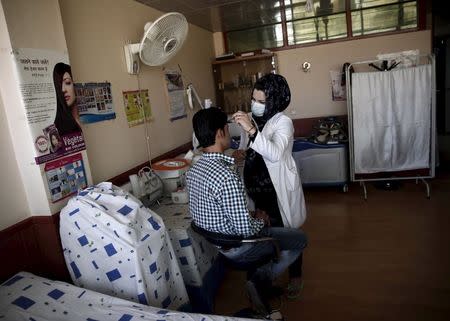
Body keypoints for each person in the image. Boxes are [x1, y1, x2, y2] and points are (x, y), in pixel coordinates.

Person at [186, 107, 307, 320]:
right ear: (221, 133)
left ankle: (260, 280)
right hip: (240, 247)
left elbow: (216, 211)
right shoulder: (226, 176)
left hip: (219, 245)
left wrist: (250, 214)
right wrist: (259, 219)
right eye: (226, 128)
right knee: (300, 239)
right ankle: (260, 279)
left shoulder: (193, 170)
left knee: (262, 222)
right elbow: (246, 231)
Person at [232, 73, 307, 299]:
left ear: (274, 100)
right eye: (254, 99)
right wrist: (242, 153)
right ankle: (268, 275)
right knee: (264, 235)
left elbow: (274, 153)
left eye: (262, 101)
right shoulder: (253, 120)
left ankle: (295, 277)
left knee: (288, 234)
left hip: (277, 191)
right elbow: (251, 148)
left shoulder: (284, 122)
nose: (255, 104)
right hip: (257, 191)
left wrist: (251, 130)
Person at [53, 62, 81, 136]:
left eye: (67, 82)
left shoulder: (86, 117)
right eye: (59, 86)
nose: (63, 90)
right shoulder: (57, 129)